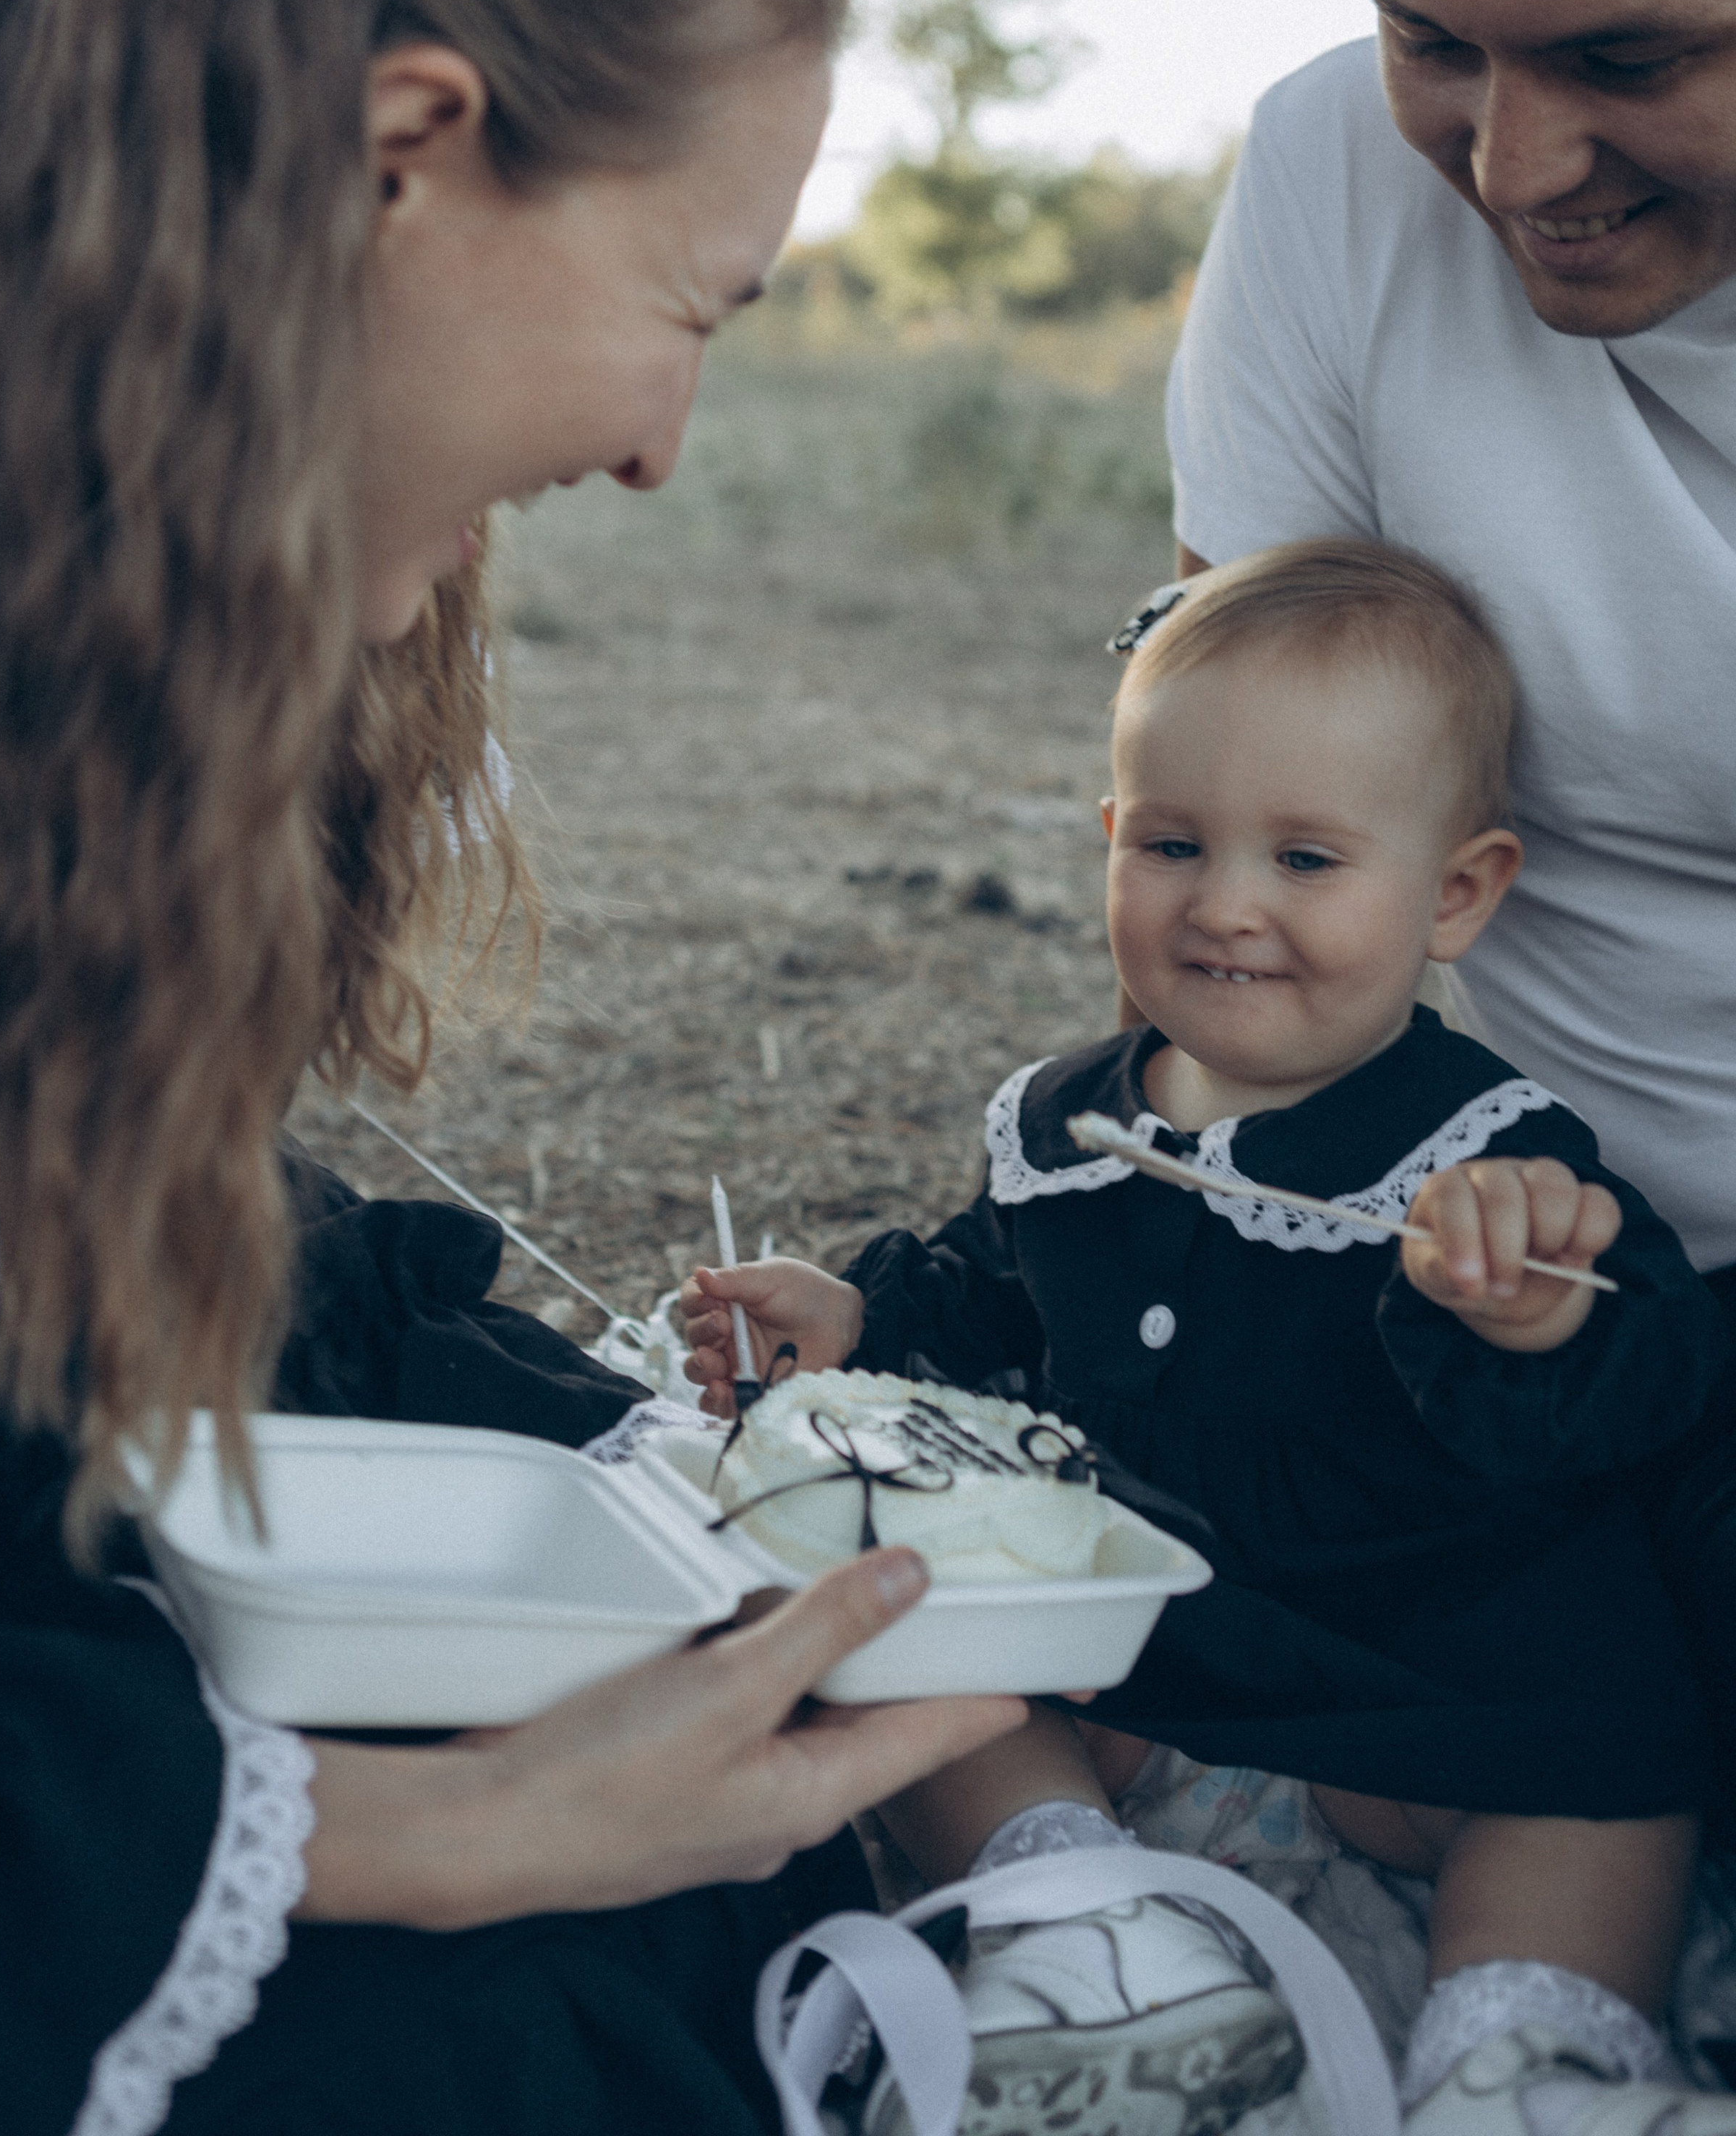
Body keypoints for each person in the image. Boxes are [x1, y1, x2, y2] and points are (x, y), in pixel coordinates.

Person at [0, 0, 1032, 2136]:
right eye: (685, 306)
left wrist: (620, 1465)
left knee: (700, 1877)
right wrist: (428, 1830)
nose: (659, 442)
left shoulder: (26, 482)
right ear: (398, 146)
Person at [684, 540, 1735, 2132]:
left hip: (1431, 1669)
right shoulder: (1065, 1119)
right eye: (1171, 843)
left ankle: (1524, 2058)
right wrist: (855, 1320)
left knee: (1593, 1777)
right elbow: (991, 1298)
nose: (1226, 905)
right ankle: (1094, 1935)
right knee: (893, 1659)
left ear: (1454, 895)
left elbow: (1644, 1384)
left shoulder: (1481, 1150)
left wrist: (1529, 1316)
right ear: (1108, 838)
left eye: (1306, 861)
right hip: (1148, 1666)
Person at [1161, 0, 1736, 1771]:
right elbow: (1252, 806)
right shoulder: (1324, 173)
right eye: (1435, 38)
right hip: (1481, 1265)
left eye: (1628, 60)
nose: (1510, 169)